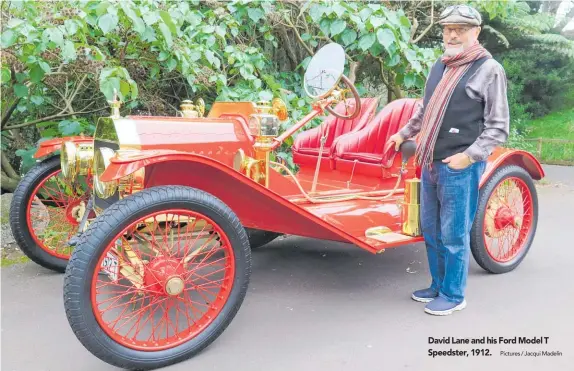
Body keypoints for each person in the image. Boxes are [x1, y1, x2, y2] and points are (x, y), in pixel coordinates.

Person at [385, 4, 510, 316]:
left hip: (459, 166)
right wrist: (403, 134)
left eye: (460, 29)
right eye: (448, 28)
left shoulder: (488, 69)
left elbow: (498, 127)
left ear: (475, 32)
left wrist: (468, 158)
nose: (452, 34)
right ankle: (437, 285)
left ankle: (454, 295)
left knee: (454, 234)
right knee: (431, 229)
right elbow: (425, 109)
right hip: (429, 160)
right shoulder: (440, 65)